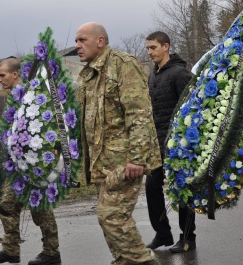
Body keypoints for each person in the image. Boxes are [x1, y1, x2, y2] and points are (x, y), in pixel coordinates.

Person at [75, 22, 161, 265]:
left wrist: (137, 158)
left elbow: (139, 113)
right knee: (110, 220)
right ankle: (124, 261)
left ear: (100, 41)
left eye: (82, 40)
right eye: (76, 41)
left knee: (112, 216)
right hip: (104, 162)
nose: (77, 46)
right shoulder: (90, 73)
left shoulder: (122, 65)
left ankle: (143, 261)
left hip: (125, 160)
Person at [0, 58, 61, 265]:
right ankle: (11, 250)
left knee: (41, 209)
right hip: (16, 165)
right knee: (7, 205)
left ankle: (52, 252)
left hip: (34, 165)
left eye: (2, 75)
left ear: (15, 74)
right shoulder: (13, 98)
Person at [145, 31, 196, 253]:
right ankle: (163, 234)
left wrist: (185, 140)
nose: (149, 52)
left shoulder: (179, 73)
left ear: (166, 47)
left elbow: (194, 107)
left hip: (178, 144)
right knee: (152, 187)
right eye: (147, 48)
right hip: (157, 142)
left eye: (153, 48)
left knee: (182, 190)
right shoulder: (153, 75)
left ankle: (187, 238)